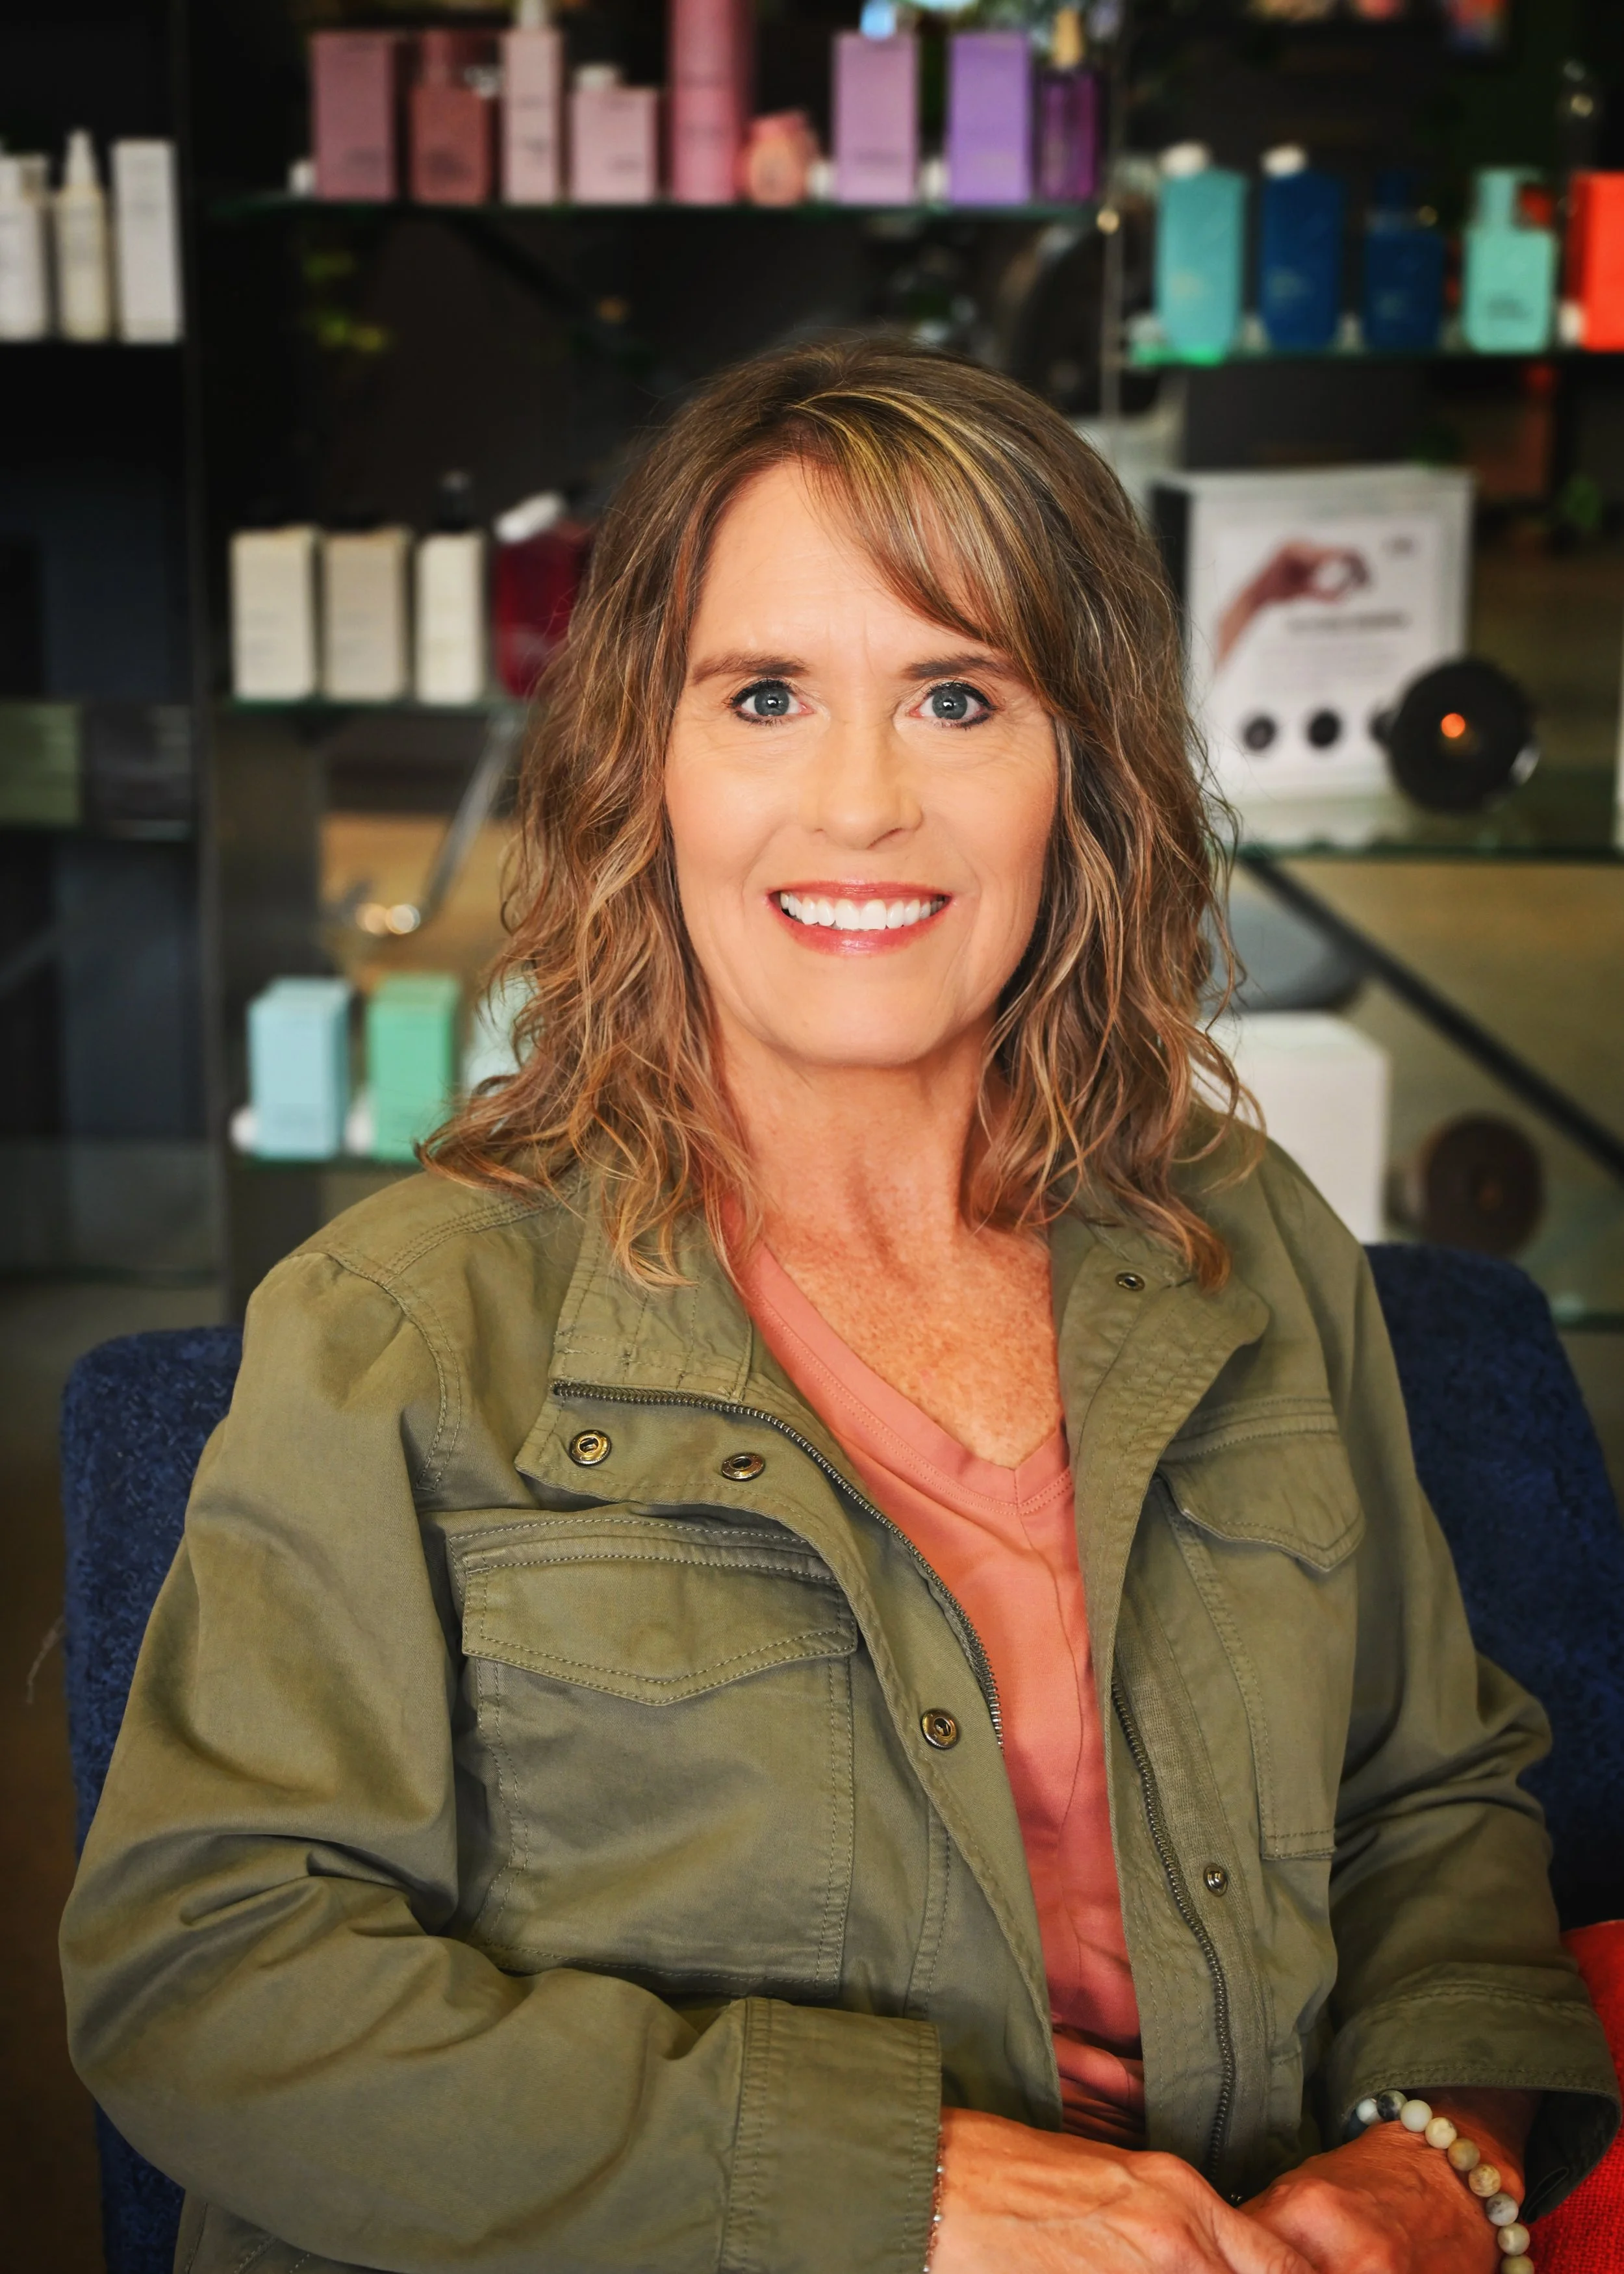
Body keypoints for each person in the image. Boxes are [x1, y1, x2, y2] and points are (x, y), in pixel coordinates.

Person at [62, 340, 1616, 2274]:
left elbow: (1432, 1799)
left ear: (1085, 770)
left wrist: (1430, 2169)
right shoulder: (399, 1328)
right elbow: (209, 1976)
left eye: (956, 694)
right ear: (648, 757)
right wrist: (915, 2188)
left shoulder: (1245, 1242)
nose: (861, 801)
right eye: (768, 693)